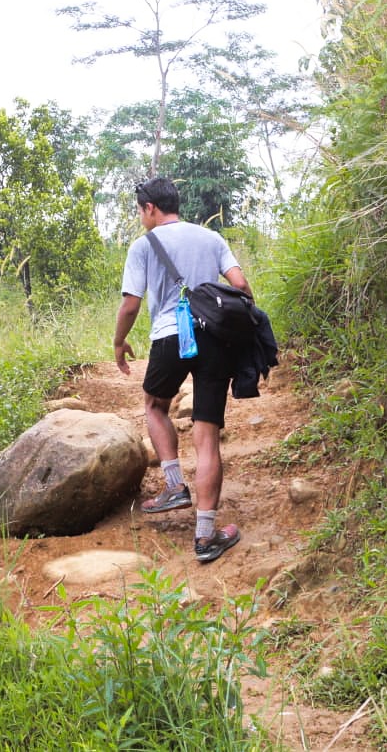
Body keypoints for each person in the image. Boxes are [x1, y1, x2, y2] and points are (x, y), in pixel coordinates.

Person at [112, 176, 253, 563]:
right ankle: (206, 538)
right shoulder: (211, 239)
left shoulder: (143, 245)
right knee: (207, 437)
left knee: (155, 406)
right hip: (214, 339)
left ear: (150, 208)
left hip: (170, 336)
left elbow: (130, 305)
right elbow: (242, 287)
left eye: (141, 210)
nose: (142, 217)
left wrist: (119, 342)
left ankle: (175, 486)